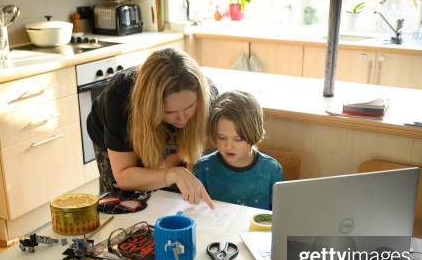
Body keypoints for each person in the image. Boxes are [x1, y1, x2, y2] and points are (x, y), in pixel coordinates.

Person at [87, 48, 217, 208]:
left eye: (190, 107)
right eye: (170, 111)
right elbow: (124, 176)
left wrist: (174, 163)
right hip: (121, 135)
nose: (183, 119)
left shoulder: (208, 95)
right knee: (128, 201)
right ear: (151, 106)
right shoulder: (119, 97)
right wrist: (172, 173)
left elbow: (192, 148)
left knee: (172, 199)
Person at [193, 90, 283, 210]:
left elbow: (281, 212)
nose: (228, 146)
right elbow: (195, 211)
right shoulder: (202, 168)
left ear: (253, 134)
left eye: (238, 139)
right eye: (221, 137)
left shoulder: (271, 169)